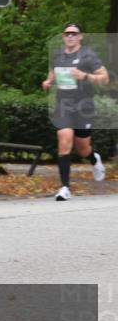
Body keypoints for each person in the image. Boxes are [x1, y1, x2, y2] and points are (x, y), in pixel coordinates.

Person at [41, 22, 109, 200]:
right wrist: (48, 82)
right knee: (64, 142)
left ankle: (94, 159)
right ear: (63, 37)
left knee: (83, 149)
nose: (70, 36)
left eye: (74, 33)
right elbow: (53, 72)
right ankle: (65, 188)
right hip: (64, 106)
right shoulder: (58, 56)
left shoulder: (88, 55)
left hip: (83, 107)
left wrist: (85, 76)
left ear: (80, 36)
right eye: (67, 33)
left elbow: (105, 78)